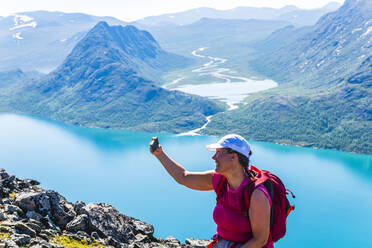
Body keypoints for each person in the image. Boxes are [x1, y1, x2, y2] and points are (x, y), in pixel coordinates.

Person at [150, 134, 274, 248]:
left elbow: (260, 240)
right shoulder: (219, 180)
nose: (214, 157)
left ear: (233, 157)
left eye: (219, 153)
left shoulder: (257, 194)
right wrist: (159, 154)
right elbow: (183, 177)